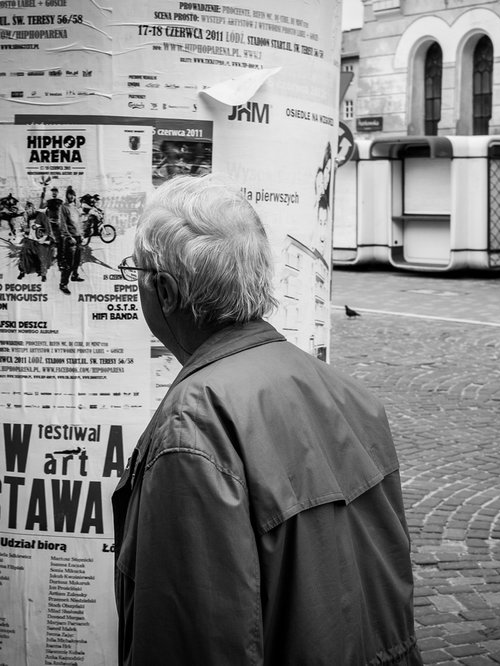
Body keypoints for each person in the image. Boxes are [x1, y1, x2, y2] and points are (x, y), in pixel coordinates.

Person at [112, 174, 421, 665]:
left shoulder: (195, 425)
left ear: (165, 291)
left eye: (136, 271)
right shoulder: (348, 393)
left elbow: (195, 641)